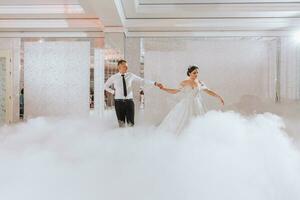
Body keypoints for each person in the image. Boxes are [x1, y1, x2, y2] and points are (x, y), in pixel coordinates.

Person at [159, 65, 224, 135]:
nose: (196, 74)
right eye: (194, 73)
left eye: (197, 73)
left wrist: (218, 97)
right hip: (187, 104)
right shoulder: (185, 82)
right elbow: (175, 91)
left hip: (197, 105)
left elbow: (208, 91)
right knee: (184, 121)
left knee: (198, 121)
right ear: (189, 73)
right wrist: (163, 88)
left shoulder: (200, 82)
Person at [104, 59, 163, 127]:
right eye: (124, 66)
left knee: (131, 124)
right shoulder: (114, 77)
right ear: (119, 67)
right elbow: (105, 86)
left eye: (127, 66)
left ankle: (130, 136)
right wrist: (113, 92)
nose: (126, 68)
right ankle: (122, 137)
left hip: (129, 102)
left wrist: (155, 83)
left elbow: (142, 80)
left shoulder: (130, 75)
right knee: (121, 125)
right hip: (119, 103)